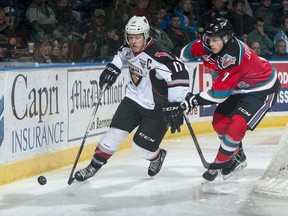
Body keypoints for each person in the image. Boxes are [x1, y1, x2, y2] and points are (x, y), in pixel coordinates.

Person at [163, 18, 280, 182]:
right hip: (237, 88)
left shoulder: (233, 56)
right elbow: (180, 57)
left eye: (215, 40)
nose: (211, 43)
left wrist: (191, 101)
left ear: (226, 39)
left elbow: (219, 94)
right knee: (219, 121)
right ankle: (237, 155)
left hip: (261, 88)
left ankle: (220, 162)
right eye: (209, 38)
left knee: (237, 126)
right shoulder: (203, 44)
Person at [74, 16, 190, 182]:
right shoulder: (128, 47)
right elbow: (122, 55)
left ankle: (157, 157)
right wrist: (113, 68)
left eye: (137, 37)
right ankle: (93, 166)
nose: (133, 41)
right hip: (133, 100)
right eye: (130, 37)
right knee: (113, 135)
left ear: (146, 35)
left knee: (141, 148)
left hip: (157, 109)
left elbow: (180, 72)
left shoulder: (158, 54)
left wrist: (176, 102)